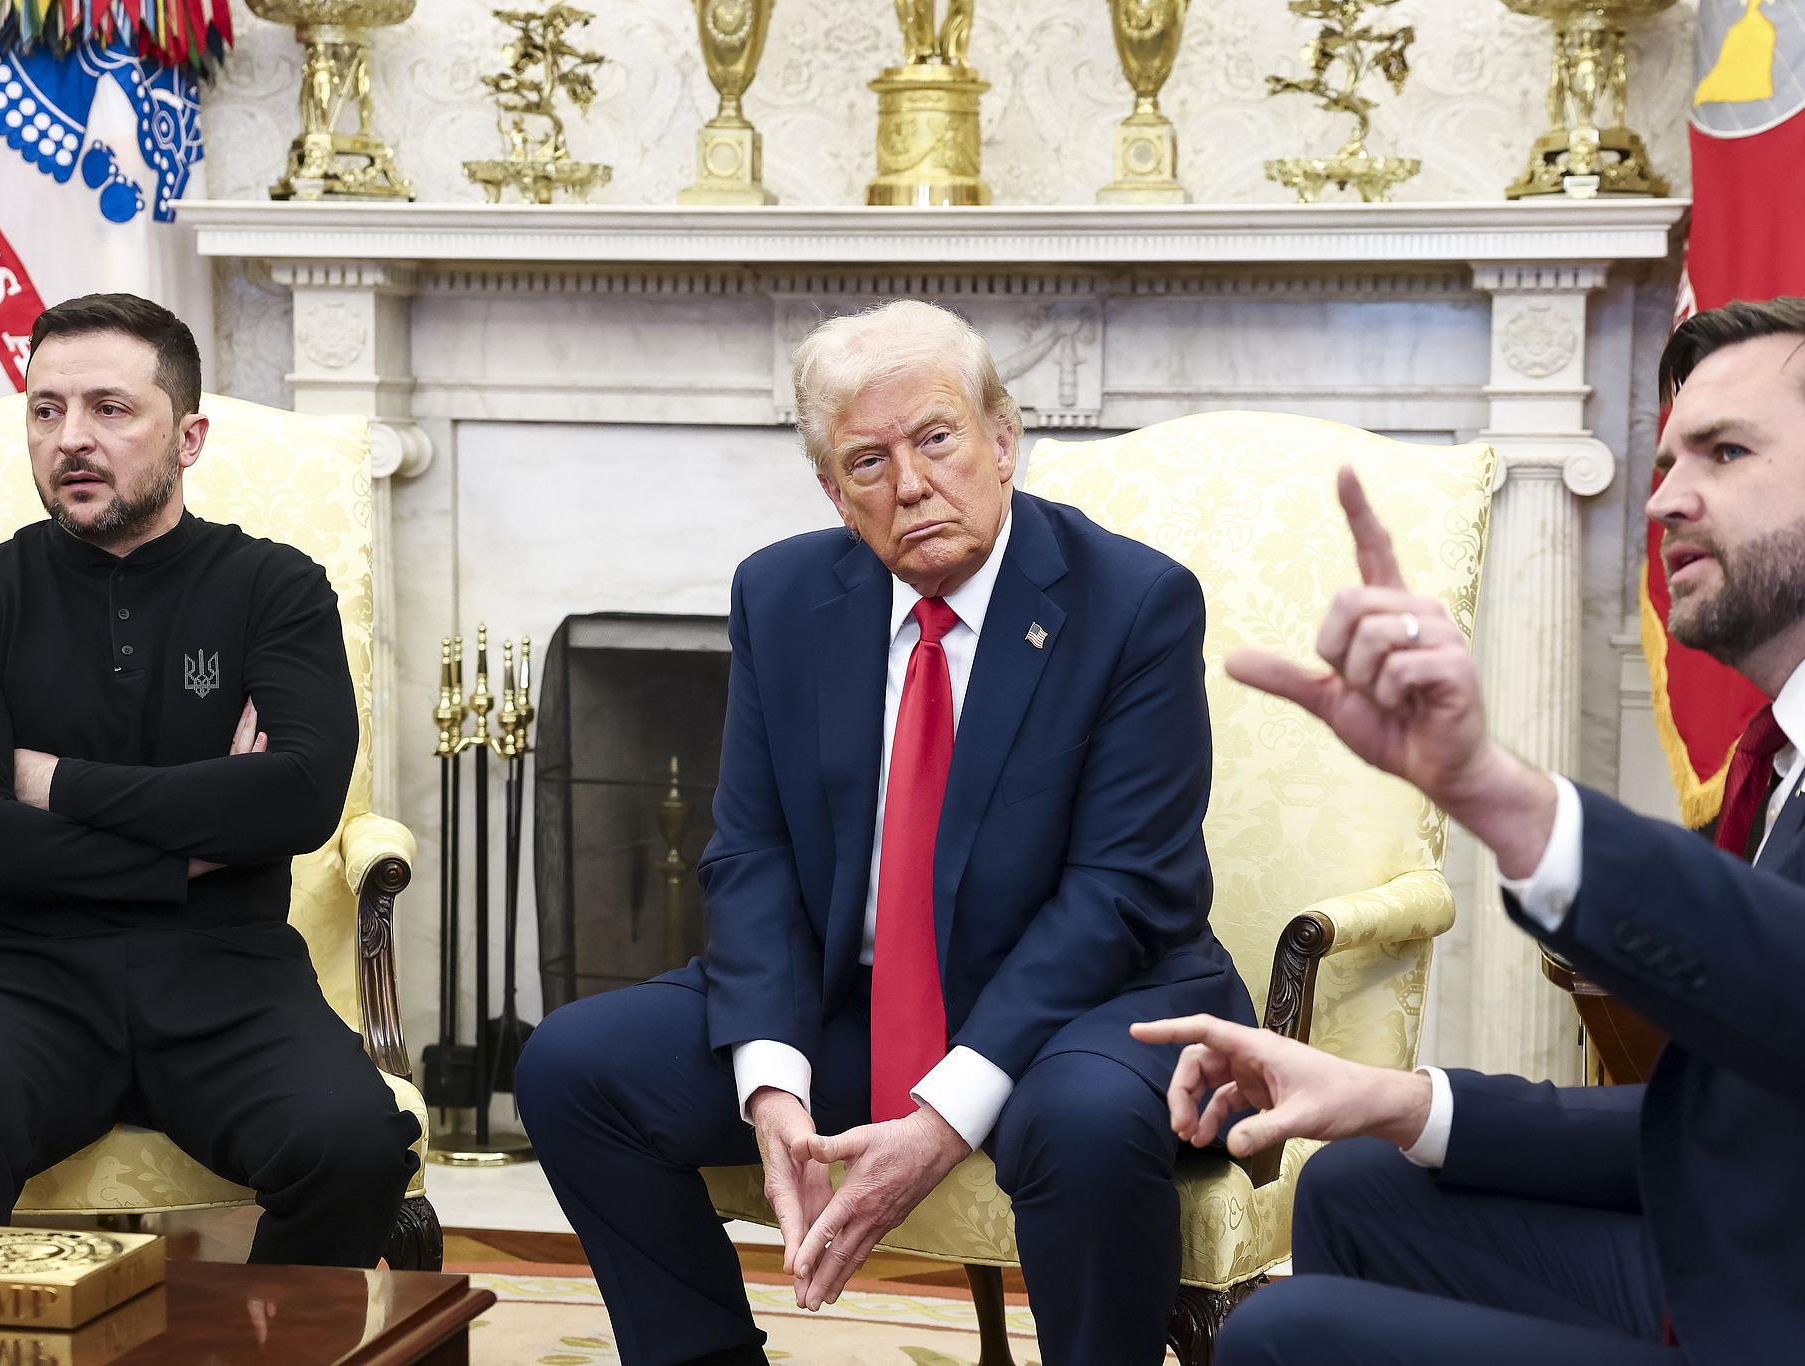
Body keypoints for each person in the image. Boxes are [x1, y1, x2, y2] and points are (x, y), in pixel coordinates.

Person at [516, 300, 1256, 1366]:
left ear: (1003, 440)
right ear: (832, 491)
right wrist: (770, 1079)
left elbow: (1121, 893)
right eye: (866, 460)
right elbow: (751, 852)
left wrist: (942, 1116)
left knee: (1083, 1126)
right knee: (573, 1065)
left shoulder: (1131, 604)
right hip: (860, 996)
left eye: (936, 438)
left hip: (1088, 1002)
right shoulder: (781, 596)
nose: (908, 484)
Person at [1133, 296, 1805, 1364]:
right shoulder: (1782, 758)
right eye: (1666, 458)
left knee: (1285, 1334)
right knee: (1362, 1184)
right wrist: (1394, 1098)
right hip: (1756, 1252)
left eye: (1724, 452)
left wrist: (1492, 790)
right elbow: (1720, 1112)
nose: (1664, 502)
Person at [0, 293, 419, 1266]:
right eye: (45, 409)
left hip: (229, 973)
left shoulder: (274, 590)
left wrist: (55, 783)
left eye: (110, 409)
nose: (71, 437)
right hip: (18, 970)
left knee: (354, 1141)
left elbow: (298, 797)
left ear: (188, 435)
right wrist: (193, 845)